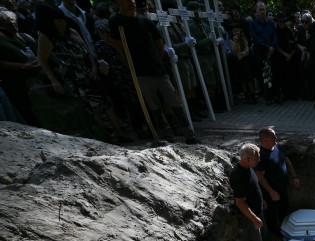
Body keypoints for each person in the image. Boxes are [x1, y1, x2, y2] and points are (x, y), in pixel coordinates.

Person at [36, 3, 130, 142]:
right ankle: (107, 137)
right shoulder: (46, 38)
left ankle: (120, 133)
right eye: (59, 21)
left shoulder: (72, 32)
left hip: (91, 74)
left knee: (107, 104)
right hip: (74, 80)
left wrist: (94, 66)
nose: (63, 23)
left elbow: (86, 50)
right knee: (94, 110)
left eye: (63, 20)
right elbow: (42, 59)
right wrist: (54, 80)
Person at [109, 0, 198, 144]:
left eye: (132, 0)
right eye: (127, 1)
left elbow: (158, 42)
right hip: (140, 71)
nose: (131, 3)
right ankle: (165, 135)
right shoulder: (116, 21)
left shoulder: (145, 20)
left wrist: (160, 58)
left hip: (157, 68)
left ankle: (188, 133)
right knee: (153, 105)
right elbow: (119, 47)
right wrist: (128, 65)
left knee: (173, 100)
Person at [254, 127, 300, 238]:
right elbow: (259, 175)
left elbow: (287, 161)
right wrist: (271, 191)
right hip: (271, 191)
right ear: (264, 140)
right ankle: (275, 235)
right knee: (271, 214)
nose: (276, 138)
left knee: (283, 209)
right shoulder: (260, 154)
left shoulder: (278, 146)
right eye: (272, 137)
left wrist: (294, 176)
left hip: (283, 187)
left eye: (275, 136)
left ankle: (285, 230)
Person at [229, 143, 266, 241]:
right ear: (247, 159)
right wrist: (254, 218)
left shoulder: (248, 168)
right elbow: (240, 202)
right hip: (250, 215)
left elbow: (254, 187)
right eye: (257, 158)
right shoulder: (238, 176)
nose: (259, 161)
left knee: (261, 238)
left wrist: (262, 200)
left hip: (258, 209)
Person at [250, 1, 277, 103]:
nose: (262, 11)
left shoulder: (271, 24)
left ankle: (273, 95)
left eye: (264, 9)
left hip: (271, 52)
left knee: (272, 74)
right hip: (260, 52)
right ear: (256, 11)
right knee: (263, 75)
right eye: (260, 9)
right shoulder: (253, 24)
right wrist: (267, 48)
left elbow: (274, 36)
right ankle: (266, 96)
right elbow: (256, 39)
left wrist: (272, 47)